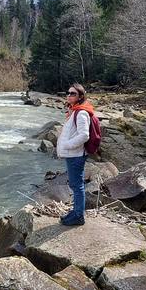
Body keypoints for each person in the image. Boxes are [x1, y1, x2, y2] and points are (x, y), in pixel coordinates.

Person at [56, 83, 93, 226]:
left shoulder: (81, 113)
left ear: (80, 96)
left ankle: (78, 216)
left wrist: (66, 145)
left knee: (77, 186)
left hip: (76, 155)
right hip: (74, 154)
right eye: (68, 92)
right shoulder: (74, 110)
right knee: (75, 184)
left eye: (73, 93)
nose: (69, 95)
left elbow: (84, 135)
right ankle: (76, 212)